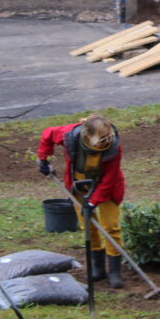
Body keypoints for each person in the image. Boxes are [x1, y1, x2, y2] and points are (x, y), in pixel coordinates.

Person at [38, 114, 126, 288]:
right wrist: (43, 158)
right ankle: (98, 267)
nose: (106, 142)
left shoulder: (113, 148)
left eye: (107, 138)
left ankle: (114, 272)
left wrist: (93, 202)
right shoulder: (70, 136)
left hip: (107, 188)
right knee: (89, 226)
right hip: (79, 187)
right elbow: (48, 133)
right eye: (101, 140)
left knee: (111, 227)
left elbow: (109, 179)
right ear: (87, 136)